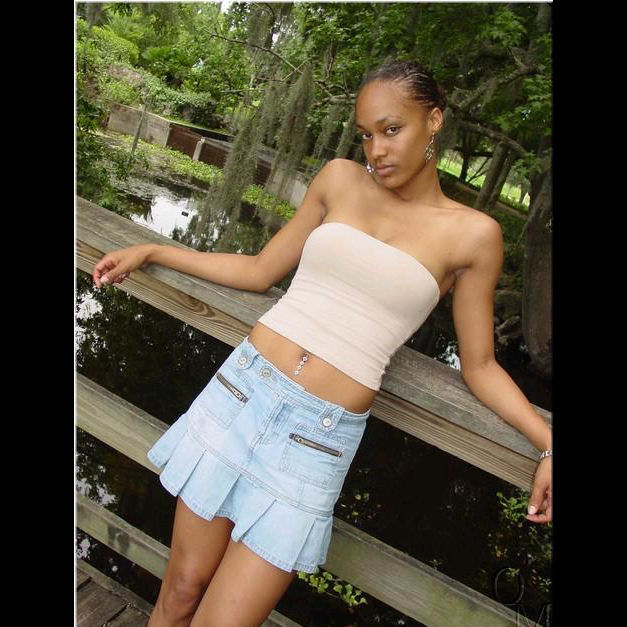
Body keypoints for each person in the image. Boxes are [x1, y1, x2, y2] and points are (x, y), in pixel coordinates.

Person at [91, 59, 552, 627]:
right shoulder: (339, 178)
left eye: (391, 129)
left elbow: (479, 366)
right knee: (180, 593)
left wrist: (547, 442)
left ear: (434, 120)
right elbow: (261, 270)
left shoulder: (474, 236)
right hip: (243, 394)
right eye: (366, 135)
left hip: (318, 441)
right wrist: (154, 250)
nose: (376, 150)